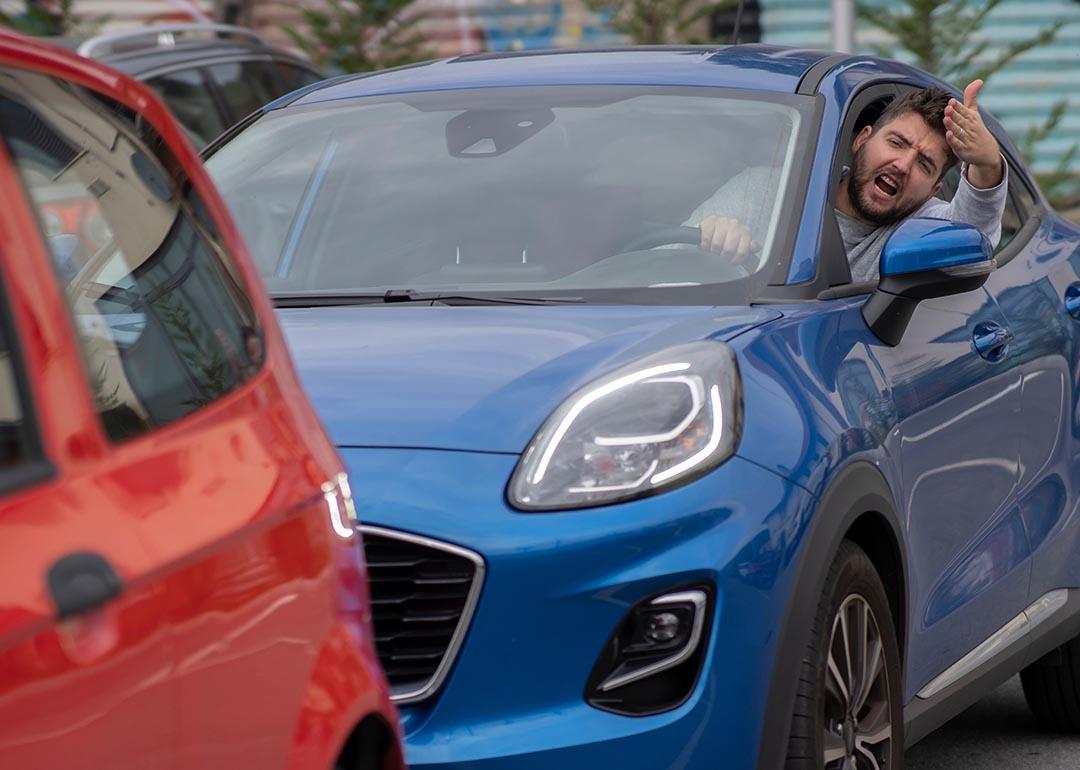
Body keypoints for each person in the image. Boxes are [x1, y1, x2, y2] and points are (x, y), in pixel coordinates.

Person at [687, 80, 1008, 282]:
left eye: (924, 164)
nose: (903, 164)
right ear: (862, 140)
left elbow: (974, 233)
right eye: (896, 143)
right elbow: (665, 261)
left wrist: (987, 161)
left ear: (933, 192)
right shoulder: (766, 190)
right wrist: (711, 243)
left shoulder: (920, 225)